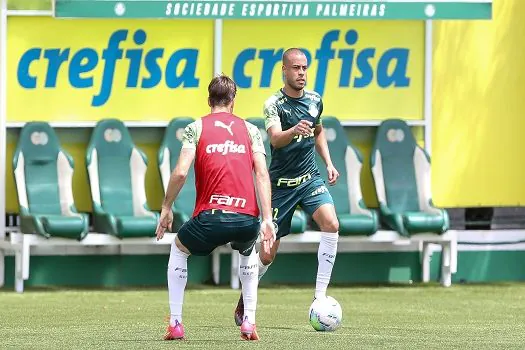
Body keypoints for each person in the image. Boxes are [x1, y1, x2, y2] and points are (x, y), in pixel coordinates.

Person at [156, 74, 276, 341]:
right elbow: (262, 174)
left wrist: (166, 207)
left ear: (209, 99)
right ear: (233, 101)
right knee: (247, 252)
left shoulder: (195, 127)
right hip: (247, 220)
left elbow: (180, 172)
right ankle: (249, 323)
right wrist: (267, 219)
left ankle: (175, 324)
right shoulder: (250, 130)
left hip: (210, 218)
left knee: (179, 249)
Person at [234, 48, 340, 326]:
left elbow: (318, 131)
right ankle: (246, 298)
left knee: (331, 223)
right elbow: (275, 140)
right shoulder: (274, 104)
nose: (301, 73)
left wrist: (328, 162)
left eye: (304, 68)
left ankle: (320, 297)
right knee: (267, 254)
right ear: (284, 70)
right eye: (295, 68)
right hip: (280, 186)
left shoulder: (316, 99)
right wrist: (294, 130)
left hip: (310, 178)